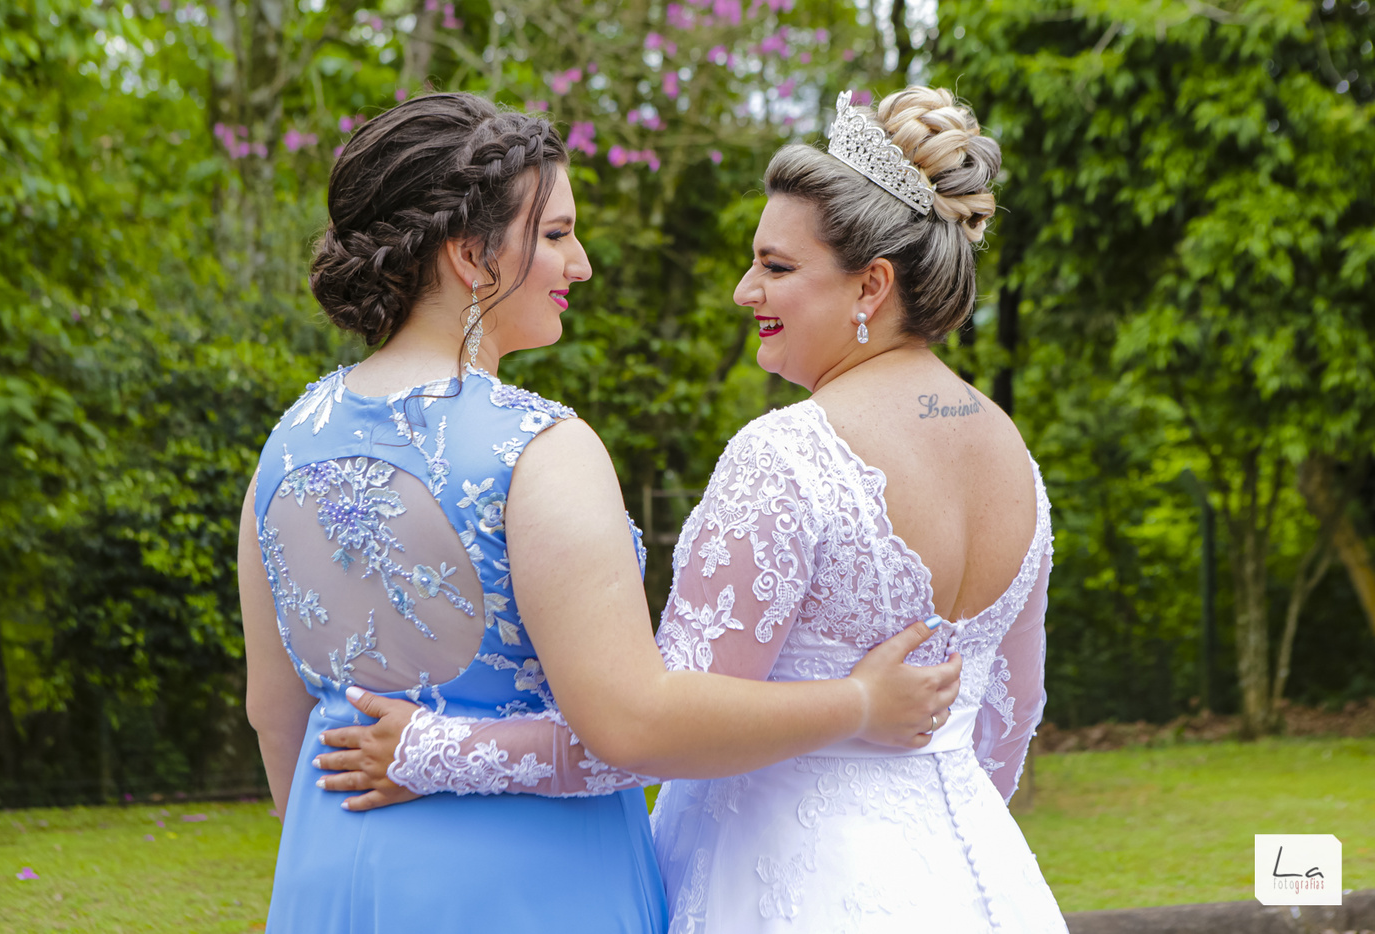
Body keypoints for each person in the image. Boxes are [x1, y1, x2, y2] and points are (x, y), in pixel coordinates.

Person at [317, 86, 1069, 933]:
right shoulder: (1013, 458)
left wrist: (429, 751)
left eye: (776, 268)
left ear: (872, 284)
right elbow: (1009, 718)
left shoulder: (792, 456)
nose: (746, 291)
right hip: (980, 878)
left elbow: (650, 730)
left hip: (787, 880)